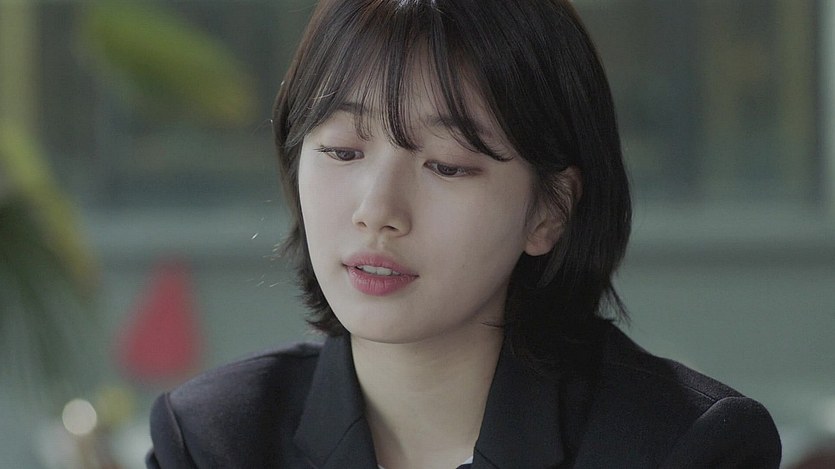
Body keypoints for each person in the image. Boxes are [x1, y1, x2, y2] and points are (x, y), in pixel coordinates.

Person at [146, 0, 782, 467]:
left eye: (446, 165)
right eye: (342, 151)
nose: (377, 210)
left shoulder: (684, 447)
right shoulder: (213, 441)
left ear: (550, 209)